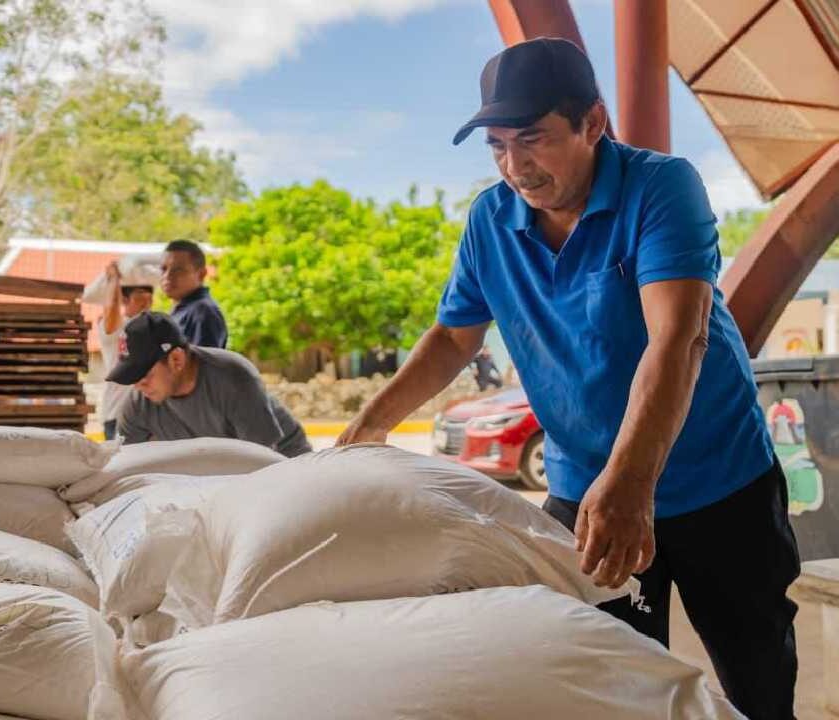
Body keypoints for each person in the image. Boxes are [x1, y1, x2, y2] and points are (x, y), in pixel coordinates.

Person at [338, 38, 798, 719]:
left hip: (717, 483)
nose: (515, 166)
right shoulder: (491, 220)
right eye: (497, 145)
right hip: (584, 489)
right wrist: (369, 425)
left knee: (755, 678)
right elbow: (453, 337)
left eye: (533, 140)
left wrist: (633, 482)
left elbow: (678, 338)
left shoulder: (661, 188)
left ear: (593, 122)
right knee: (600, 685)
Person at [110, 312, 311, 457]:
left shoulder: (233, 377)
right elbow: (124, 462)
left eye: (144, 374)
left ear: (176, 360)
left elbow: (261, 462)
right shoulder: (139, 403)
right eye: (132, 377)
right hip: (218, 474)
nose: (138, 385)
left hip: (284, 463)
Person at [97, 261, 154, 441]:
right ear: (125, 300)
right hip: (117, 414)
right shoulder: (117, 328)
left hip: (148, 415)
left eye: (149, 299)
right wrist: (114, 279)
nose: (146, 304)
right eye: (140, 299)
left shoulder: (154, 329)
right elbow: (110, 309)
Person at [161, 239, 227, 348]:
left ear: (201, 274)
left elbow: (204, 363)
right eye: (163, 269)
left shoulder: (203, 312)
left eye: (178, 270)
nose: (167, 276)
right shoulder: (183, 309)